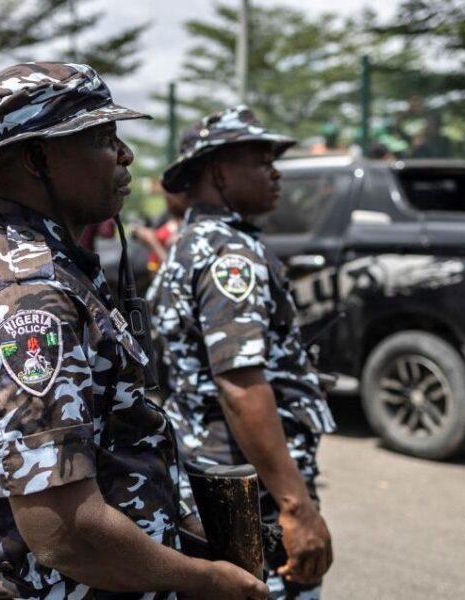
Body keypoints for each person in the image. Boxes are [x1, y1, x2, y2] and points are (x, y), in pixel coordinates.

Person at [0, 62, 267, 600]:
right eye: (105, 138)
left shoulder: (58, 268)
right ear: (39, 157)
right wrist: (205, 580)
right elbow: (65, 532)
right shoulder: (20, 296)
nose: (125, 155)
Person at [149, 106, 336, 600]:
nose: (275, 172)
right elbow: (239, 383)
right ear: (217, 171)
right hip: (250, 487)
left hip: (213, 474)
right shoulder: (230, 255)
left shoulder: (189, 245)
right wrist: (296, 507)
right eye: (261, 159)